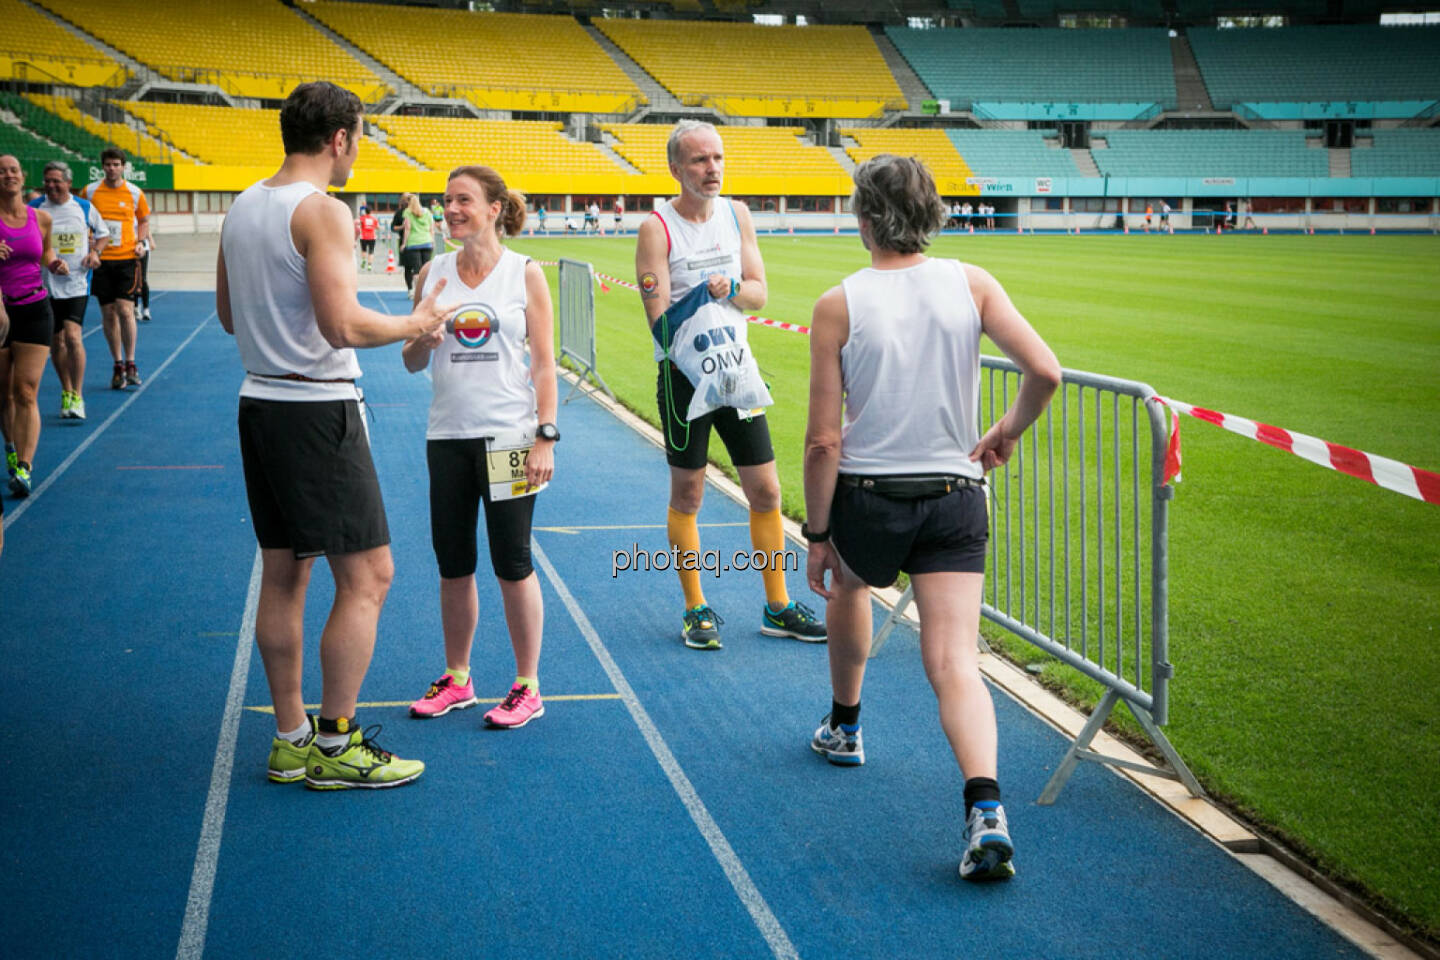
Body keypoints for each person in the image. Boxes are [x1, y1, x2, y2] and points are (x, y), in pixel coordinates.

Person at [802, 154, 1060, 882]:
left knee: (850, 590)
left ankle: (845, 727)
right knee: (954, 662)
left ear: (862, 217)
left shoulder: (838, 303)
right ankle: (985, 810)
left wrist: (818, 534)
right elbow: (1046, 371)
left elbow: (825, 439)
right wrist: (1008, 428)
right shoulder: (971, 282)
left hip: (870, 496)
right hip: (955, 493)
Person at [216, 81, 457, 790]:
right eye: (362, 136)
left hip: (260, 402)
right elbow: (344, 326)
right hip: (315, 410)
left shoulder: (243, 205)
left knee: (286, 573)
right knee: (369, 574)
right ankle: (336, 743)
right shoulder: (321, 211)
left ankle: (291, 738)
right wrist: (417, 323)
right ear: (340, 139)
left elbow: (230, 316)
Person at [636, 120, 825, 650]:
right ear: (676, 168)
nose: (711, 168)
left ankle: (778, 605)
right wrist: (701, 293)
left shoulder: (736, 214)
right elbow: (659, 322)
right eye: (698, 160)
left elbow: (760, 294)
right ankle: (696, 608)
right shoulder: (657, 228)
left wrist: (734, 288)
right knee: (689, 493)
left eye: (717, 158)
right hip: (684, 380)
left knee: (766, 490)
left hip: (737, 373)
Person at [403, 165, 558, 729]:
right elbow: (411, 360)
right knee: (453, 563)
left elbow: (545, 364)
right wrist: (423, 337)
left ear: (494, 208)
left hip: (511, 436)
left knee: (512, 562)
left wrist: (545, 435)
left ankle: (526, 685)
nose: (452, 210)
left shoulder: (524, 274)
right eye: (447, 201)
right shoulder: (433, 273)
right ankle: (459, 678)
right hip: (446, 435)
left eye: (464, 200)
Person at [0, 154, 65, 498]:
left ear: (22, 177)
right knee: (4, 394)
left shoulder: (40, 219)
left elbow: (45, 254)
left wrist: (56, 264)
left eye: (13, 170)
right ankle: (10, 447)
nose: (8, 175)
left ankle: (24, 467)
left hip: (35, 309)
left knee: (26, 390)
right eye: (1, 171)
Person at [32, 160, 107, 421]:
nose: (51, 186)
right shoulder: (35, 208)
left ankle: (78, 394)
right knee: (57, 342)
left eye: (56, 181)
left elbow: (103, 234)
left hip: (76, 282)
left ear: (68, 182)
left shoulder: (84, 207)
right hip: (45, 285)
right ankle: (66, 390)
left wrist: (95, 253)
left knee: (73, 337)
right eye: (47, 180)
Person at [80, 148, 149, 391]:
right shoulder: (89, 191)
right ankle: (117, 364)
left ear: (123, 167)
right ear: (103, 166)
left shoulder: (134, 192)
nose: (112, 168)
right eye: (108, 164)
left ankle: (131, 363)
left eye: (116, 164)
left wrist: (142, 242)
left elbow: (143, 220)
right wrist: (87, 241)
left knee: (125, 310)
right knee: (108, 314)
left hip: (126, 259)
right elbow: (81, 219)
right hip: (101, 261)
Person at [399, 193, 434, 292]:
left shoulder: (407, 212)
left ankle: (418, 291)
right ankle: (426, 291)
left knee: (417, 270)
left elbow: (407, 229)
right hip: (427, 242)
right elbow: (431, 229)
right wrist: (432, 241)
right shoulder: (427, 212)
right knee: (426, 269)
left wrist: (404, 243)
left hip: (414, 243)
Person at [355, 204, 378, 271]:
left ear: (365, 211)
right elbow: (377, 227)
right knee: (371, 252)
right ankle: (369, 266)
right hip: (372, 237)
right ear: (371, 211)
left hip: (363, 237)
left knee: (363, 250)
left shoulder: (362, 218)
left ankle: (364, 260)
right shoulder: (374, 219)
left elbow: (359, 224)